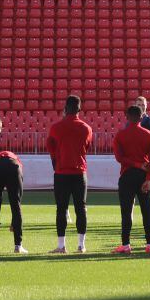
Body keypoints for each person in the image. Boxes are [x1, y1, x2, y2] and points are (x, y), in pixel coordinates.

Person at [46, 95, 93, 254]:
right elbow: (87, 147)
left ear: (65, 108)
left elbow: (50, 148)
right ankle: (81, 245)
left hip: (61, 173)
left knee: (61, 209)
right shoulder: (86, 128)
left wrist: (58, 159)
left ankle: (61, 246)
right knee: (81, 209)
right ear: (79, 109)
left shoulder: (56, 127)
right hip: (80, 173)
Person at [112, 104, 150, 254]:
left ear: (127, 117)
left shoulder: (120, 135)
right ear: (141, 117)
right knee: (146, 211)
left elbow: (119, 158)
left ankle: (126, 245)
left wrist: (135, 164)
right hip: (143, 177)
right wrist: (147, 178)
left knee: (126, 212)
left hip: (127, 176)